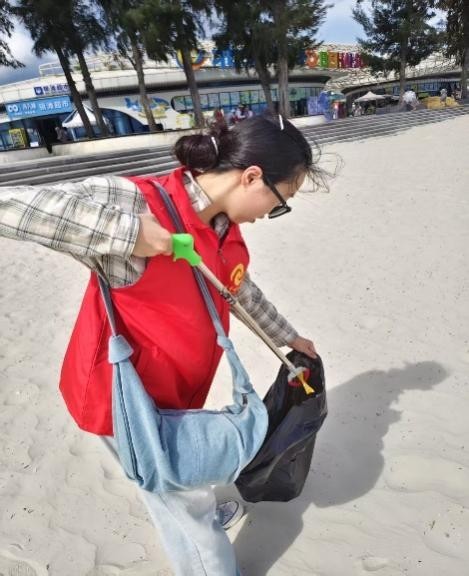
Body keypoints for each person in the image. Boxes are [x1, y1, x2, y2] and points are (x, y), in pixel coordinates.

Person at [0, 113, 319, 576]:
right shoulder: (138, 202)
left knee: (181, 485)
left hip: (178, 393)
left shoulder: (223, 225)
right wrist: (129, 233)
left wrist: (287, 337)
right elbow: (11, 207)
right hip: (124, 400)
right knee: (178, 502)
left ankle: (197, 509)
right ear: (252, 177)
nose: (270, 215)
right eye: (279, 201)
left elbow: (238, 288)